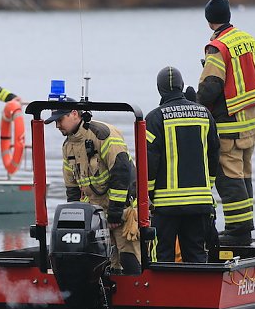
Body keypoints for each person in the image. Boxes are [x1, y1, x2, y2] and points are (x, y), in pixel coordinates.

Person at [197, 0, 255, 245]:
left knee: (228, 177)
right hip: (249, 121)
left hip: (229, 124)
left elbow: (212, 84)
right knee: (245, 175)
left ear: (209, 21)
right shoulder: (248, 40)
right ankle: (245, 227)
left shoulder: (218, 47)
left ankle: (237, 231)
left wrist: (196, 105)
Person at [46, 98, 140, 274]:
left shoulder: (103, 135)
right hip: (98, 216)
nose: (57, 125)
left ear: (74, 114)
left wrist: (115, 212)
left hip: (124, 212)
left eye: (60, 120)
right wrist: (74, 218)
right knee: (106, 266)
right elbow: (71, 187)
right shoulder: (68, 146)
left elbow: (121, 172)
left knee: (130, 261)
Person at [145, 66, 220, 262]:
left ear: (160, 89)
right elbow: (214, 154)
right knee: (196, 254)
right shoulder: (205, 114)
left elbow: (150, 161)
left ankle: (163, 293)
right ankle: (198, 291)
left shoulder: (154, 118)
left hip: (166, 205)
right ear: (181, 86)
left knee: (162, 257)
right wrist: (208, 186)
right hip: (200, 203)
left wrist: (149, 194)